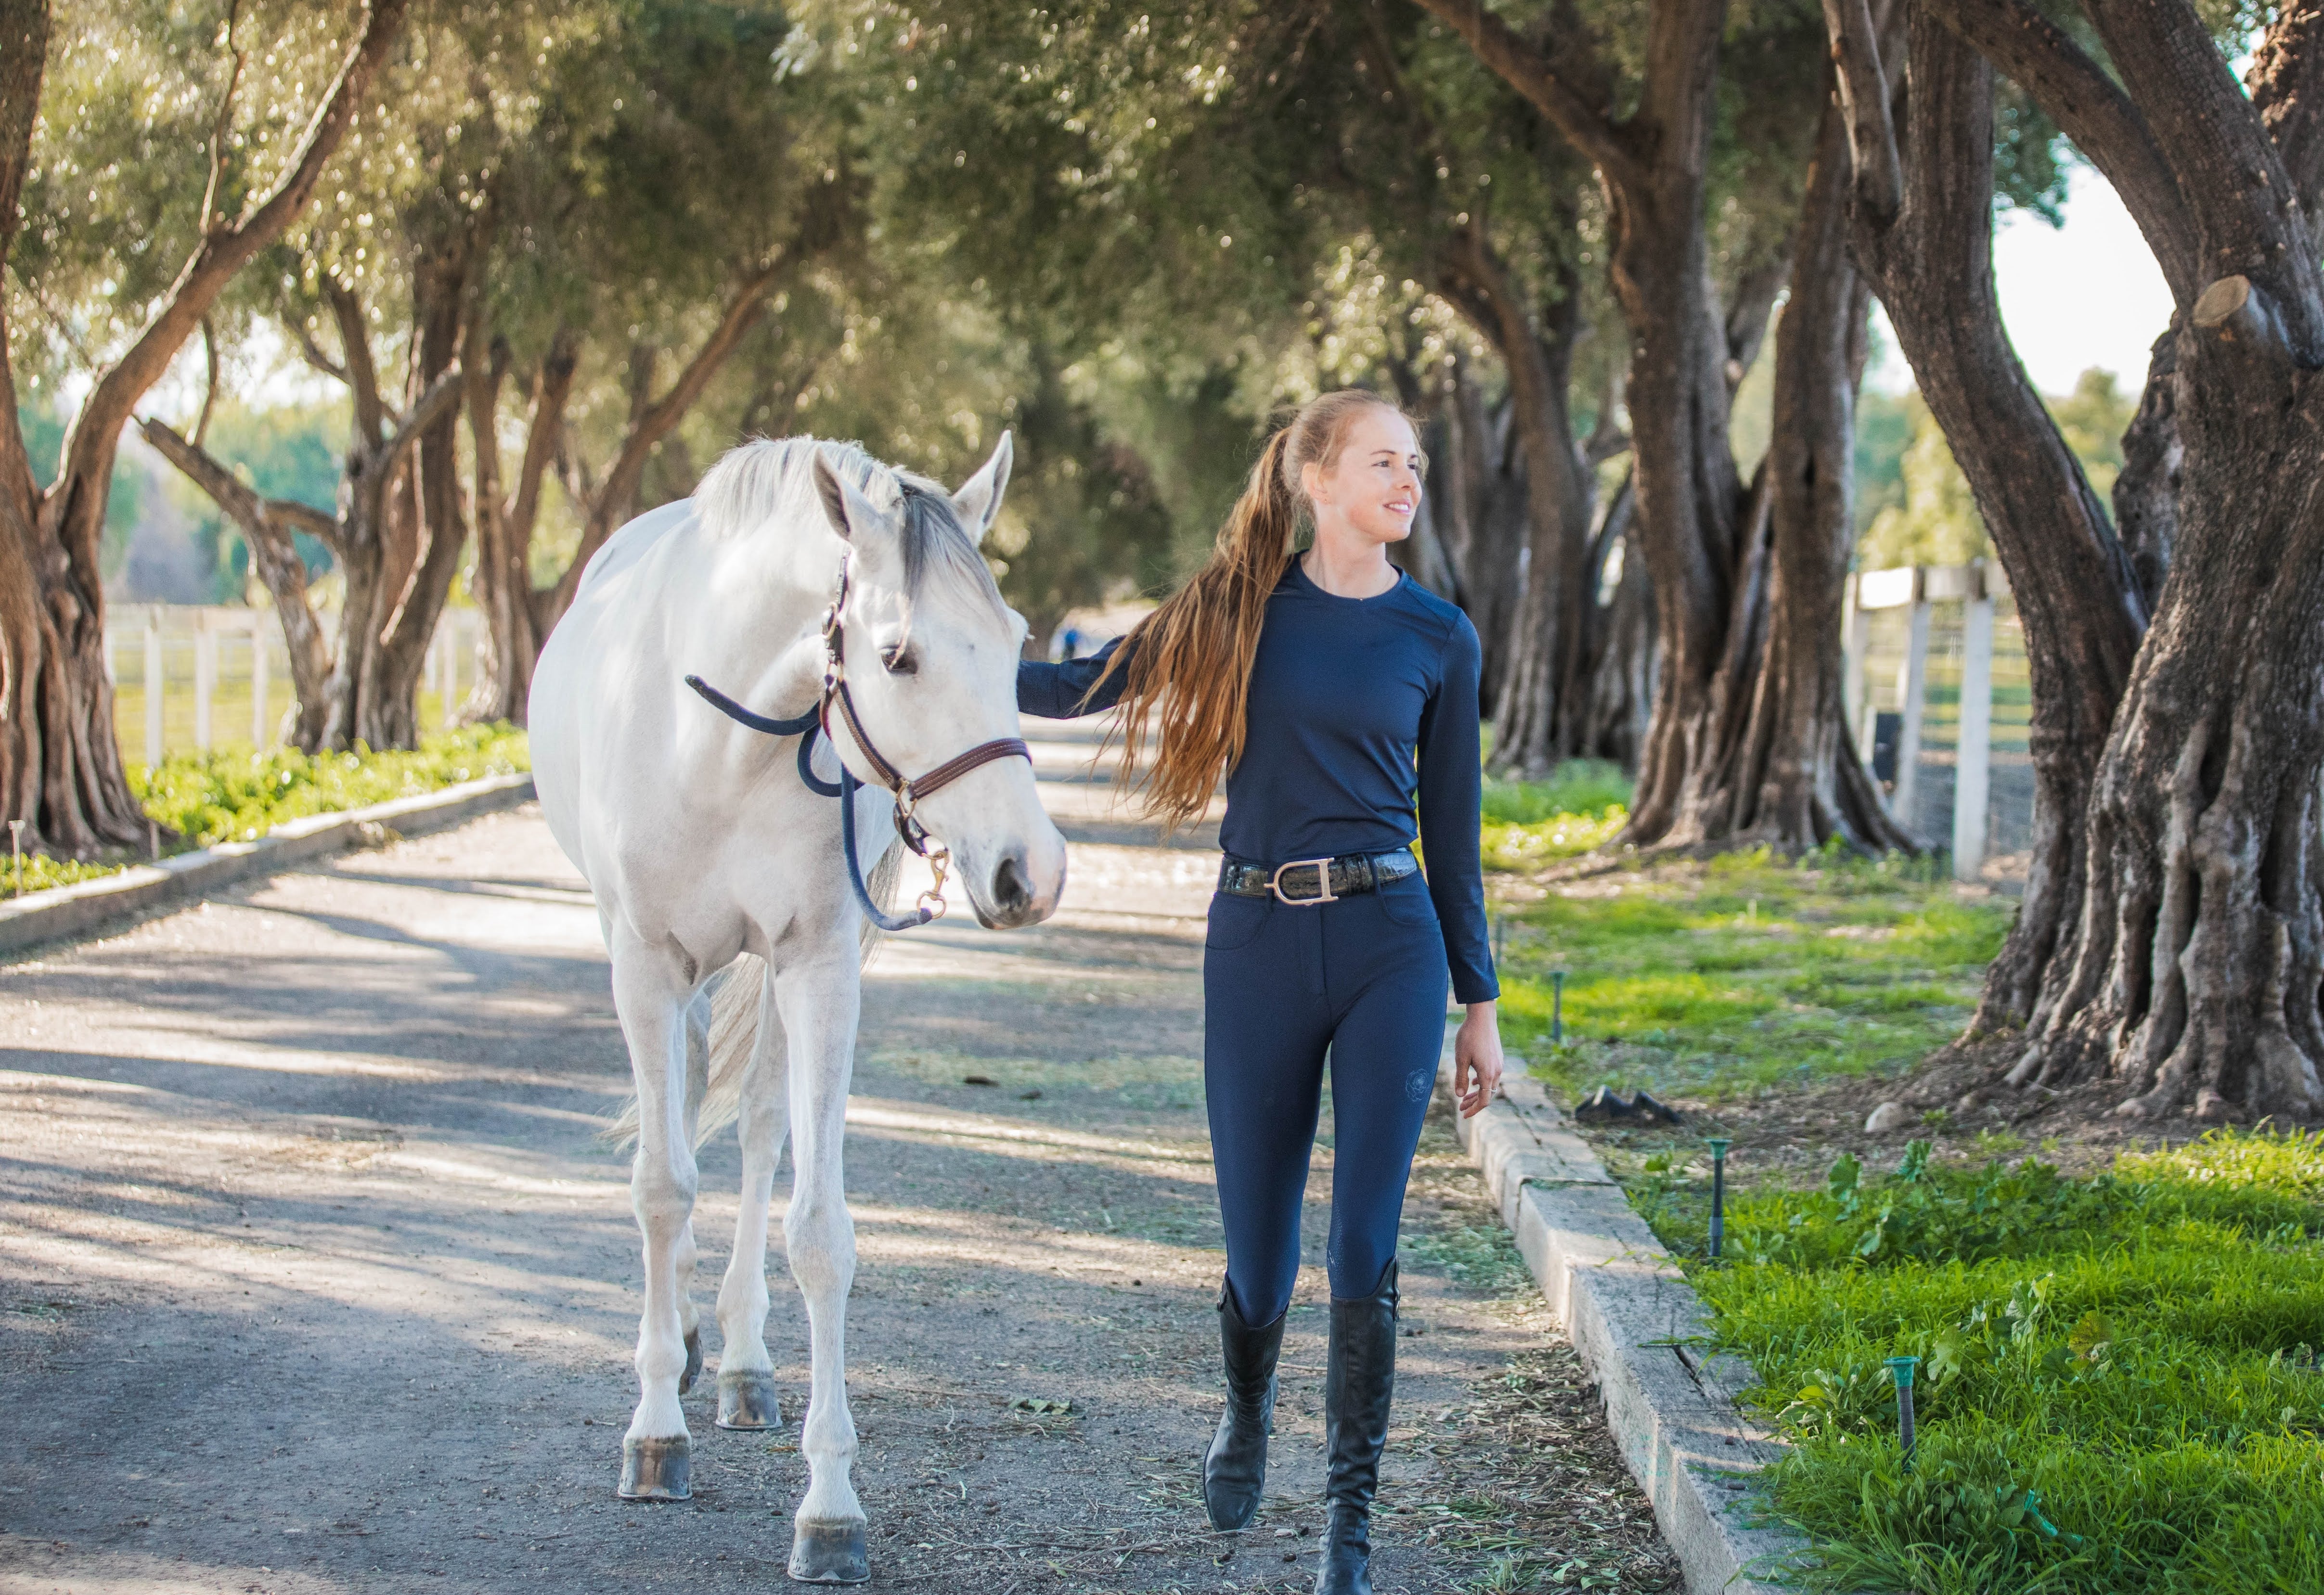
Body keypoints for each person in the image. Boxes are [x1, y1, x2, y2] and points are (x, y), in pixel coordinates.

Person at [1017, 390, 1504, 1595]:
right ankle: (1244, 1416)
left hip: (1392, 942)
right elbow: (1087, 686)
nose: (1410, 479)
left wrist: (1479, 1002)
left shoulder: (1439, 635)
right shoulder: (1235, 609)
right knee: (1258, 1252)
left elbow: (1456, 835)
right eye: (1385, 461)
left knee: (1360, 1244)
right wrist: (939, 665)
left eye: (1416, 463)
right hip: (1254, 943)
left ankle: (1349, 1518)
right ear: (1316, 478)